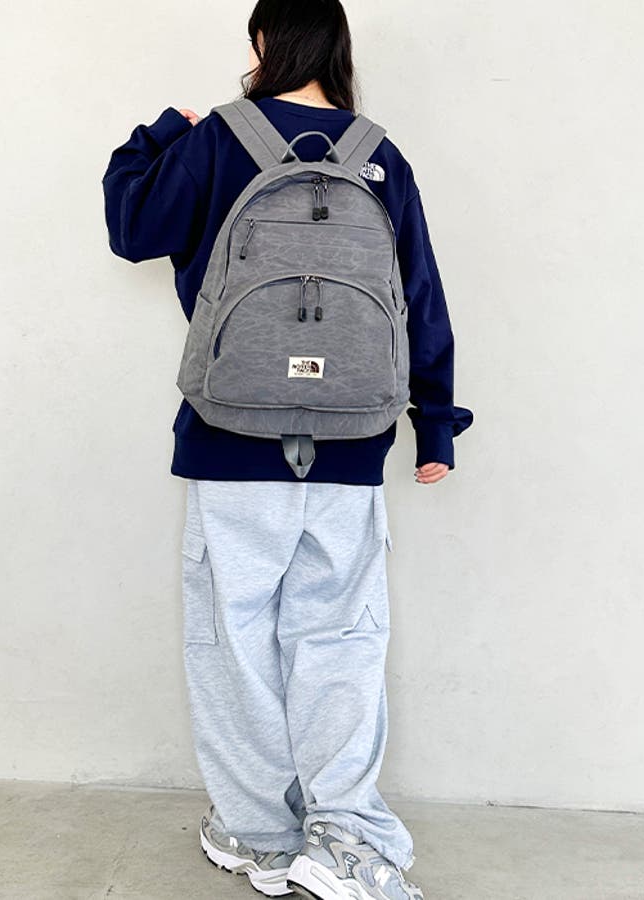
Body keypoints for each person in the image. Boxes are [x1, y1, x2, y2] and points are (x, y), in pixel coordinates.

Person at [101, 1, 474, 896]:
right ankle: (346, 840)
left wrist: (160, 132)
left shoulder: (216, 141)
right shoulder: (379, 155)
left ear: (262, 44)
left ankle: (259, 833)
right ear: (337, 50)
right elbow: (419, 295)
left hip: (230, 436)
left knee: (233, 641)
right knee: (341, 638)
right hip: (351, 441)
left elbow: (132, 228)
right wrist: (434, 421)